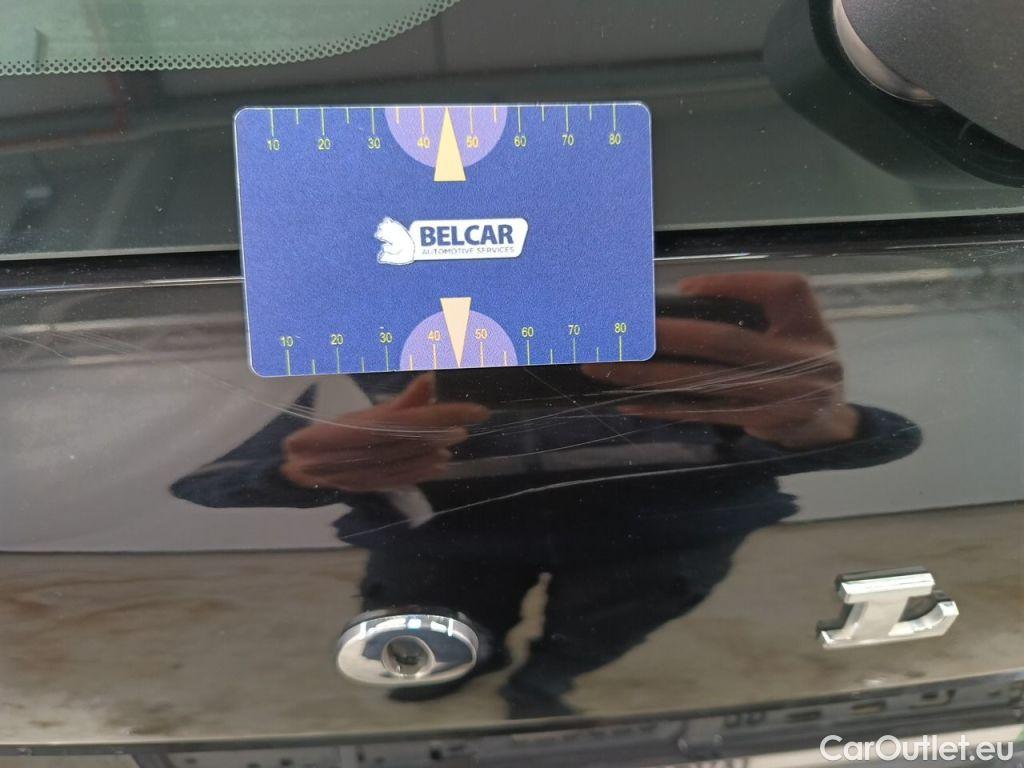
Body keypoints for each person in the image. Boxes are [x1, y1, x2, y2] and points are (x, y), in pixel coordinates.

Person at [172, 273, 920, 717]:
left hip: (661, 538)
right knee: (450, 636)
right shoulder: (359, 356)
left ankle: (546, 679)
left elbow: (886, 439)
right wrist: (303, 471)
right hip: (455, 545)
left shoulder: (677, 346)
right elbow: (209, 482)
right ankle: (480, 670)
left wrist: (824, 423)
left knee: (604, 628)